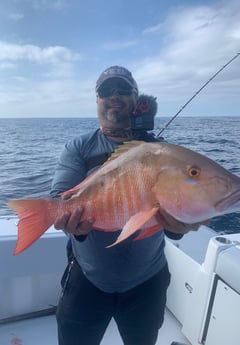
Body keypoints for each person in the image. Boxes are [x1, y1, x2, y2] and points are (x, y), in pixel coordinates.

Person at [51, 66, 205, 345]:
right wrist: (78, 227)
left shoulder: (162, 153)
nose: (114, 96)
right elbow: (61, 198)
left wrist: (179, 226)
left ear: (137, 98)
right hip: (87, 279)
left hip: (147, 281)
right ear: (97, 100)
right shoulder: (79, 147)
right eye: (106, 91)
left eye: (123, 90)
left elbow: (171, 220)